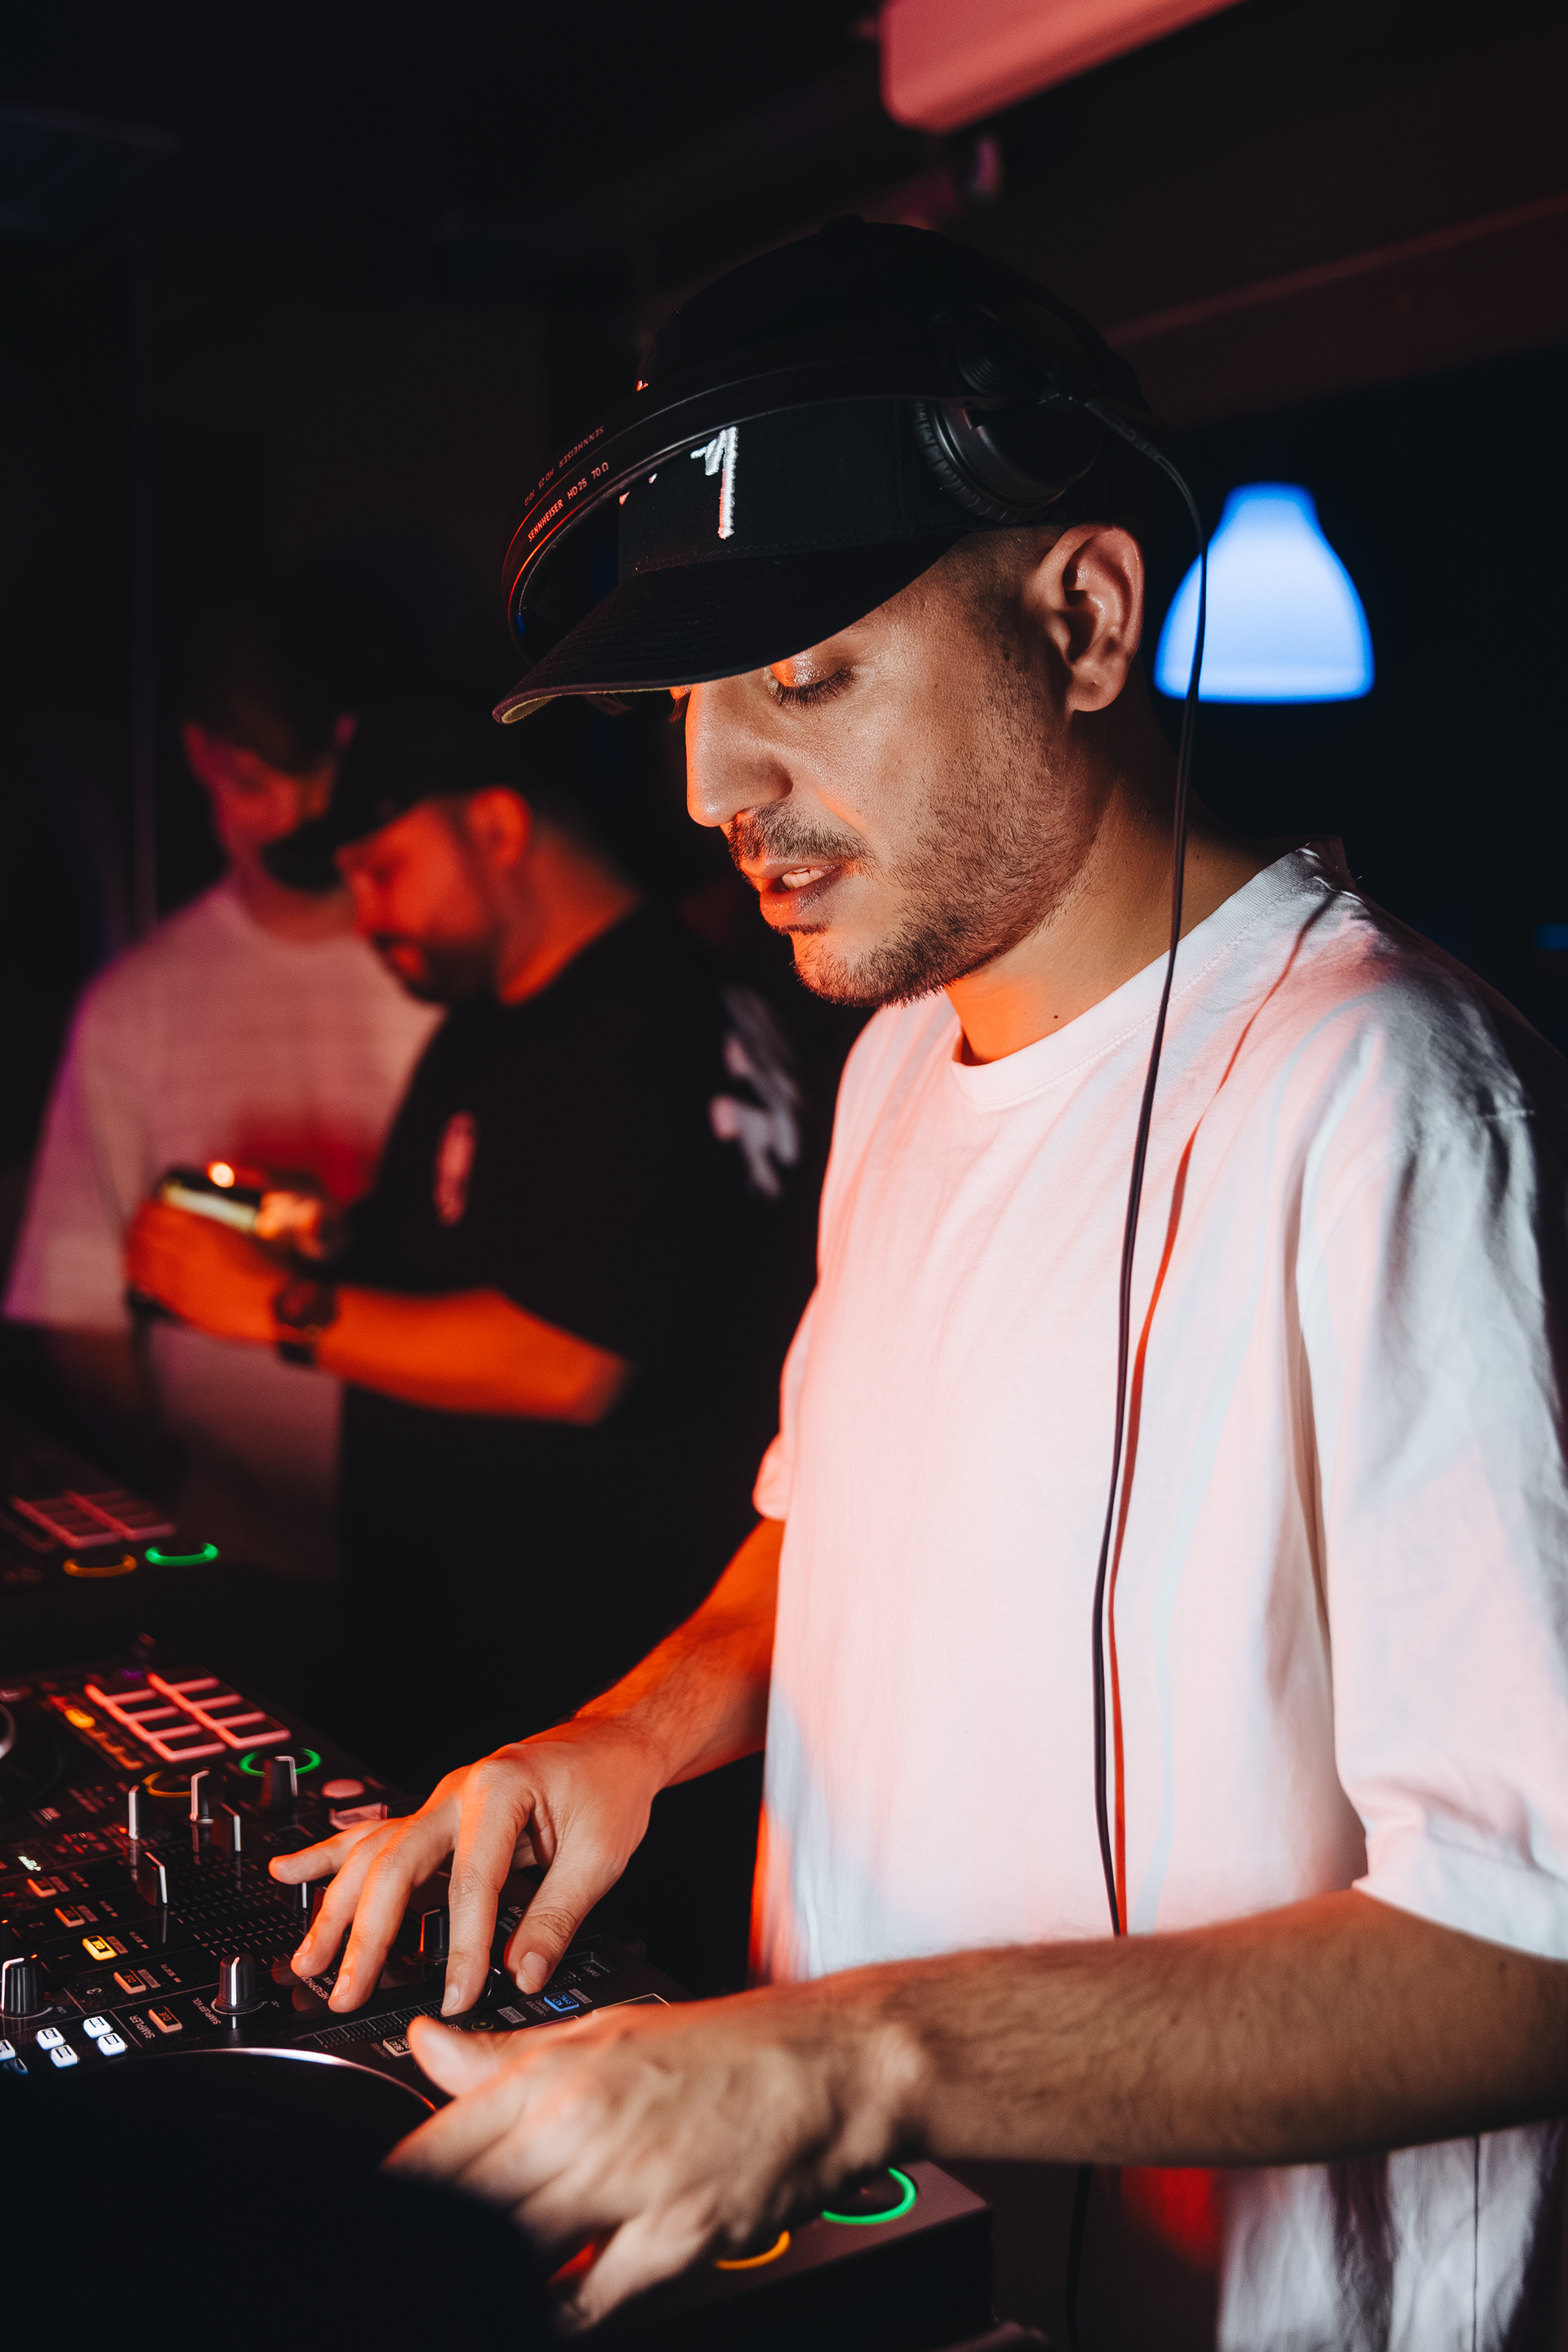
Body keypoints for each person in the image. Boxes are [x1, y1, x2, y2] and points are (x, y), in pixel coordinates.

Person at [269, 224, 1568, 2349]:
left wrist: (845, 2061)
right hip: (903, 2279)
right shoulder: (891, 1060)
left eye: (804, 678)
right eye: (690, 706)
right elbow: (836, 1535)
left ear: (1084, 617)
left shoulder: (1391, 1101)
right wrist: (623, 1735)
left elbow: (1531, 1952)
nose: (715, 789)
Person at [125, 695, 804, 1797]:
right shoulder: (503, 1022)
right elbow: (476, 1257)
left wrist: (272, 1308)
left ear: (495, 825)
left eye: (382, 869)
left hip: (588, 1703)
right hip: (476, 1686)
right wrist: (320, 1239)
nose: (366, 914)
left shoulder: (650, 1017)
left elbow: (570, 1359)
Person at [4, 586, 438, 1580]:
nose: (295, 820)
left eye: (317, 780)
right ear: (202, 755)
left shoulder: (448, 972)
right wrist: (161, 1466)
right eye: (254, 782)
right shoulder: (137, 1005)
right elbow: (78, 1299)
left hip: (445, 1556)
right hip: (233, 1558)